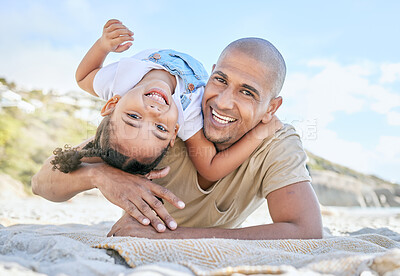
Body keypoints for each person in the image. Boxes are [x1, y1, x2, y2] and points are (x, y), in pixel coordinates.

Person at [32, 30, 323, 240]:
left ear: (271, 108)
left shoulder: (275, 142)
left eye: (247, 92)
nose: (222, 102)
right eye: (220, 80)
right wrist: (99, 176)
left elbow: (306, 231)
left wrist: (173, 237)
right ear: (209, 76)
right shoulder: (161, 124)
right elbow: (41, 182)